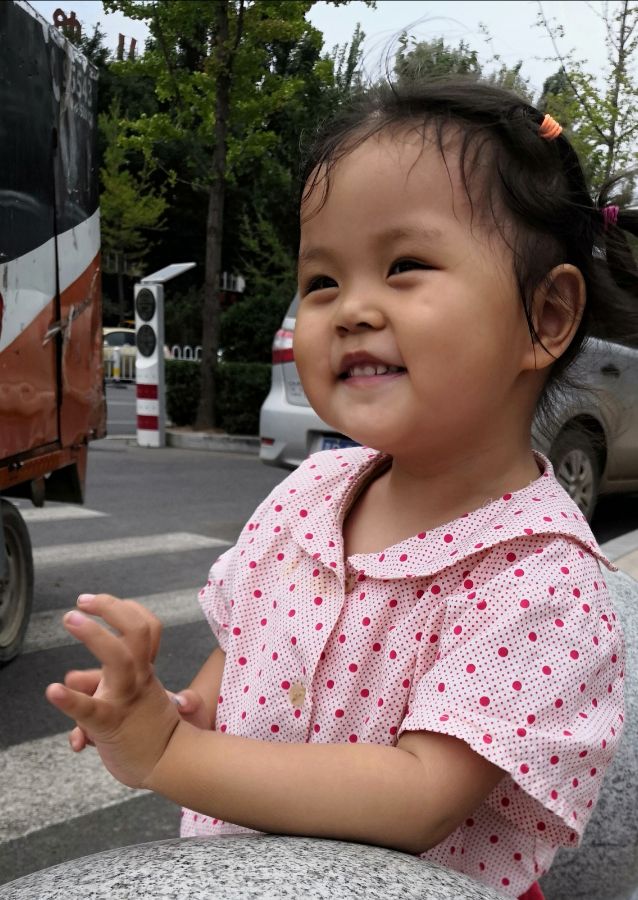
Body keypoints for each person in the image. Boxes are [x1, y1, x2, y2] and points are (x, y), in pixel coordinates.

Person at [46, 79, 638, 900]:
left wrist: (171, 756)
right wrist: (165, 710)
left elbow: (419, 797)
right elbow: (243, 655)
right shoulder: (310, 494)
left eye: (405, 266)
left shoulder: (542, 578)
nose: (351, 308)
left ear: (546, 316)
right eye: (322, 280)